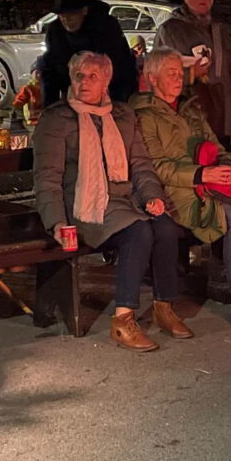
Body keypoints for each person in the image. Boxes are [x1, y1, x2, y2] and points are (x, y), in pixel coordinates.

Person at [32, 51, 189, 352]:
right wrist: (56, 222)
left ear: (106, 81)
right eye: (79, 76)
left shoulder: (122, 114)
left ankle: (164, 306)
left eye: (93, 76)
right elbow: (47, 177)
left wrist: (153, 196)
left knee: (166, 227)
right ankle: (123, 320)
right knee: (139, 232)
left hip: (126, 200)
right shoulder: (57, 119)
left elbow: (140, 164)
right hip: (86, 206)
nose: (84, 82)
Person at [132, 47, 231, 329]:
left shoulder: (190, 110)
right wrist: (202, 174)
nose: (178, 79)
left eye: (180, 73)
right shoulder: (145, 117)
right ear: (152, 78)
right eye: (170, 73)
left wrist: (229, 169)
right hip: (177, 192)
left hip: (209, 186)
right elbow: (156, 167)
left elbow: (217, 147)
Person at [154, 0, 231, 150]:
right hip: (187, 117)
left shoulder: (226, 30)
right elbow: (158, 72)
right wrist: (189, 75)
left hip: (221, 118)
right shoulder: (171, 31)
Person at [41, 0, 137, 107]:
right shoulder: (55, 30)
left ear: (84, 11)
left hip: (111, 88)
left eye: (72, 14)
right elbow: (51, 65)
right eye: (62, 15)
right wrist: (50, 107)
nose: (66, 19)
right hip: (72, 90)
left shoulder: (105, 26)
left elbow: (118, 64)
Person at [12, 58, 44, 130]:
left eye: (41, 73)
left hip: (46, 120)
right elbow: (19, 102)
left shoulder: (48, 88)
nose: (38, 75)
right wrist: (18, 116)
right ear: (31, 74)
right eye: (36, 73)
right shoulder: (28, 88)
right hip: (32, 121)